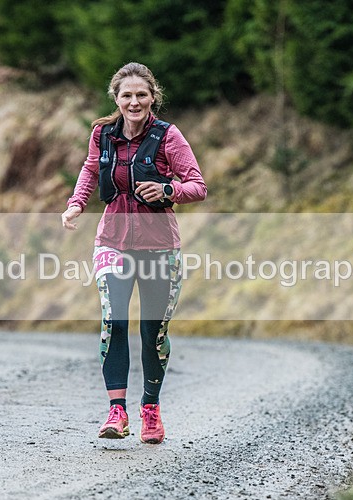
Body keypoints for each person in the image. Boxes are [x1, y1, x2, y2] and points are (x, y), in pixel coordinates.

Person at [62, 63, 207, 444]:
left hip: (160, 245)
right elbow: (91, 171)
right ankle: (117, 411)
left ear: (152, 97)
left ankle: (151, 411)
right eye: (126, 95)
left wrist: (170, 191)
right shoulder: (103, 134)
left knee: (153, 330)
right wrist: (76, 203)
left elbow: (198, 185)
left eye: (141, 94)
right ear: (117, 99)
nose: (134, 101)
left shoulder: (168, 137)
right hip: (111, 241)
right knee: (114, 321)